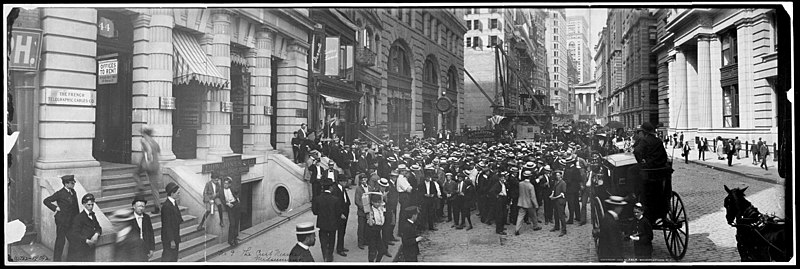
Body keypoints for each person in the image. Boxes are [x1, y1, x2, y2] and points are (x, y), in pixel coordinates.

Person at [632, 122, 670, 223]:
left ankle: (633, 193)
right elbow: (664, 156)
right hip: (660, 171)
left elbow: (636, 151)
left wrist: (641, 161)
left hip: (648, 171)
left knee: (631, 170)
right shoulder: (658, 141)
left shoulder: (644, 141)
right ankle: (662, 212)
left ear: (644, 132)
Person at [42, 174, 80, 262]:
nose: (74, 183)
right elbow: (46, 201)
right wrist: (55, 208)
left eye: (74, 182)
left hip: (71, 221)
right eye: (72, 182)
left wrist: (77, 219)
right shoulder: (60, 193)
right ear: (66, 184)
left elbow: (76, 207)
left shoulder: (73, 192)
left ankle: (71, 260)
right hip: (62, 221)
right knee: (60, 241)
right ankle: (57, 260)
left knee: (73, 240)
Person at [115, 195, 155, 262]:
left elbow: (151, 233)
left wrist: (151, 248)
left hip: (145, 248)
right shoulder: (129, 218)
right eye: (139, 206)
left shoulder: (146, 217)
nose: (141, 208)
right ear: (134, 206)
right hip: (132, 250)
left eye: (143, 206)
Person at [66, 193, 102, 262]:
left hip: (89, 248)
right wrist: (86, 240)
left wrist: (96, 234)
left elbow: (98, 227)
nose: (91, 207)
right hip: (79, 249)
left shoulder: (93, 215)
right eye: (89, 205)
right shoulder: (79, 217)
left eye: (92, 204)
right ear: (84, 204)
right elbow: (74, 234)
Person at [135, 126, 162, 214]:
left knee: (135, 174)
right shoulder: (155, 142)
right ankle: (157, 206)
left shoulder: (144, 141)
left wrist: (148, 159)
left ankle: (141, 187)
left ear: (145, 134)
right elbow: (158, 152)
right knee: (154, 188)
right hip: (155, 166)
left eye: (143, 133)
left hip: (147, 165)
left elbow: (149, 151)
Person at [312, 180, 339, 262]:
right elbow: (338, 213)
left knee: (323, 242)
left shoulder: (317, 199)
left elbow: (315, 212)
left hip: (322, 224)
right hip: (332, 224)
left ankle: (325, 257)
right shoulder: (335, 199)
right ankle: (330, 256)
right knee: (331, 241)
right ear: (331, 187)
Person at [598, 196, 627, 262]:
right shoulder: (611, 222)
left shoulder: (608, 217)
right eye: (620, 206)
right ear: (616, 207)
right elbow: (614, 242)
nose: (621, 209)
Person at [160, 182, 183, 262]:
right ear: (172, 193)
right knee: (168, 258)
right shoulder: (166, 206)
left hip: (175, 235)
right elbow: (167, 225)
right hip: (169, 238)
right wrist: (171, 240)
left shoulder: (173, 202)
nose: (179, 194)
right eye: (178, 193)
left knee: (174, 257)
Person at [515, 170, 541, 235]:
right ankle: (535, 226)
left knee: (520, 216)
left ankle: (517, 229)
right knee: (533, 215)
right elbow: (533, 197)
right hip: (529, 204)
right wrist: (536, 205)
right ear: (530, 177)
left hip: (521, 202)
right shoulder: (531, 186)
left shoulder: (520, 184)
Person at [330, 176, 351, 257]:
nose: (346, 183)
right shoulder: (336, 190)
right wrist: (340, 213)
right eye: (345, 181)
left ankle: (341, 246)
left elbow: (346, 199)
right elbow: (336, 204)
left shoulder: (342, 188)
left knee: (343, 231)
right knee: (340, 231)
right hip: (340, 214)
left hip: (345, 211)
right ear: (341, 182)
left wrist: (348, 204)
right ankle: (339, 249)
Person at [365, 193, 387, 262]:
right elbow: (370, 223)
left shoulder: (380, 208)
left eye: (379, 202)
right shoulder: (371, 211)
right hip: (372, 231)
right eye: (376, 202)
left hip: (378, 231)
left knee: (382, 250)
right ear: (372, 202)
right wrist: (370, 219)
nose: (378, 204)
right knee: (372, 251)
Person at [220, 177, 240, 247]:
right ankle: (230, 240)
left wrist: (237, 198)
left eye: (226, 183)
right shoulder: (221, 191)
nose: (225, 185)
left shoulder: (232, 188)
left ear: (229, 184)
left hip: (235, 205)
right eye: (224, 183)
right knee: (232, 223)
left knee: (236, 222)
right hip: (229, 207)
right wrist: (227, 203)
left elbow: (237, 192)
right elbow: (222, 199)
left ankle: (235, 238)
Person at [549, 169, 567, 236]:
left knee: (561, 216)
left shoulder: (563, 183)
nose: (557, 176)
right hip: (556, 201)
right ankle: (556, 226)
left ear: (561, 176)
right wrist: (552, 195)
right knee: (556, 214)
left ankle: (564, 230)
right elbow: (554, 189)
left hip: (560, 201)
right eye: (556, 175)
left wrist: (555, 197)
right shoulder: (556, 182)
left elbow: (563, 193)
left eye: (559, 175)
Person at [354, 175, 370, 250]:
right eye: (362, 180)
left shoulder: (369, 188)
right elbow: (357, 201)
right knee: (361, 227)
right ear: (360, 181)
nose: (364, 181)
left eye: (365, 179)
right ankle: (360, 242)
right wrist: (364, 208)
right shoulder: (358, 189)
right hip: (362, 211)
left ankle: (366, 240)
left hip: (369, 210)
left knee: (367, 227)